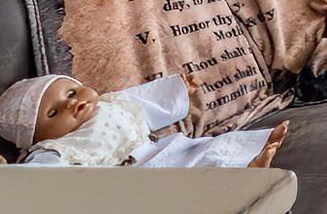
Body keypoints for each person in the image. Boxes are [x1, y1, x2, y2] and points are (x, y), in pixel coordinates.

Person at [0, 73, 286, 168]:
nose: (71, 103)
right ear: (38, 137)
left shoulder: (112, 102)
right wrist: (10, 176)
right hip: (135, 177)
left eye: (72, 91)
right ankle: (245, 168)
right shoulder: (55, 150)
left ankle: (254, 150)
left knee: (207, 148)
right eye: (53, 113)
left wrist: (177, 90)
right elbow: (38, 179)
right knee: (196, 176)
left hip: (162, 149)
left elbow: (147, 102)